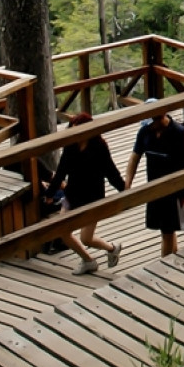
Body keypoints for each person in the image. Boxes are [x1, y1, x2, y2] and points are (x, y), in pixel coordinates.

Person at [45, 112, 125, 275]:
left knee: (86, 238)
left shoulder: (99, 147)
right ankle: (88, 260)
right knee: (62, 231)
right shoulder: (70, 146)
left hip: (92, 197)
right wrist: (50, 193)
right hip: (72, 193)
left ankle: (112, 248)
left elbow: (111, 172)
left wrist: (124, 190)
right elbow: (61, 172)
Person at [125, 103, 184, 257]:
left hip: (174, 189)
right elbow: (134, 157)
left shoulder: (178, 133)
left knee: (167, 231)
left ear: (161, 117)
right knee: (166, 230)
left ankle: (164, 267)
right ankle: (174, 257)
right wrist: (127, 184)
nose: (149, 125)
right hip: (153, 187)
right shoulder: (145, 132)